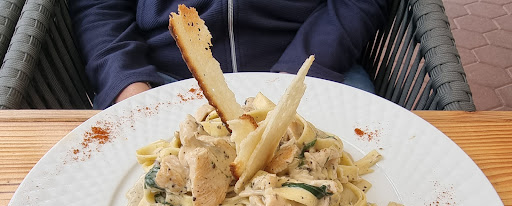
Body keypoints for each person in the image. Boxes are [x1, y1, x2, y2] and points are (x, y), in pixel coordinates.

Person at [70, 1, 389, 109]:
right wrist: (128, 83)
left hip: (315, 60)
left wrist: (299, 73)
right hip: (162, 75)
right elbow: (99, 7)